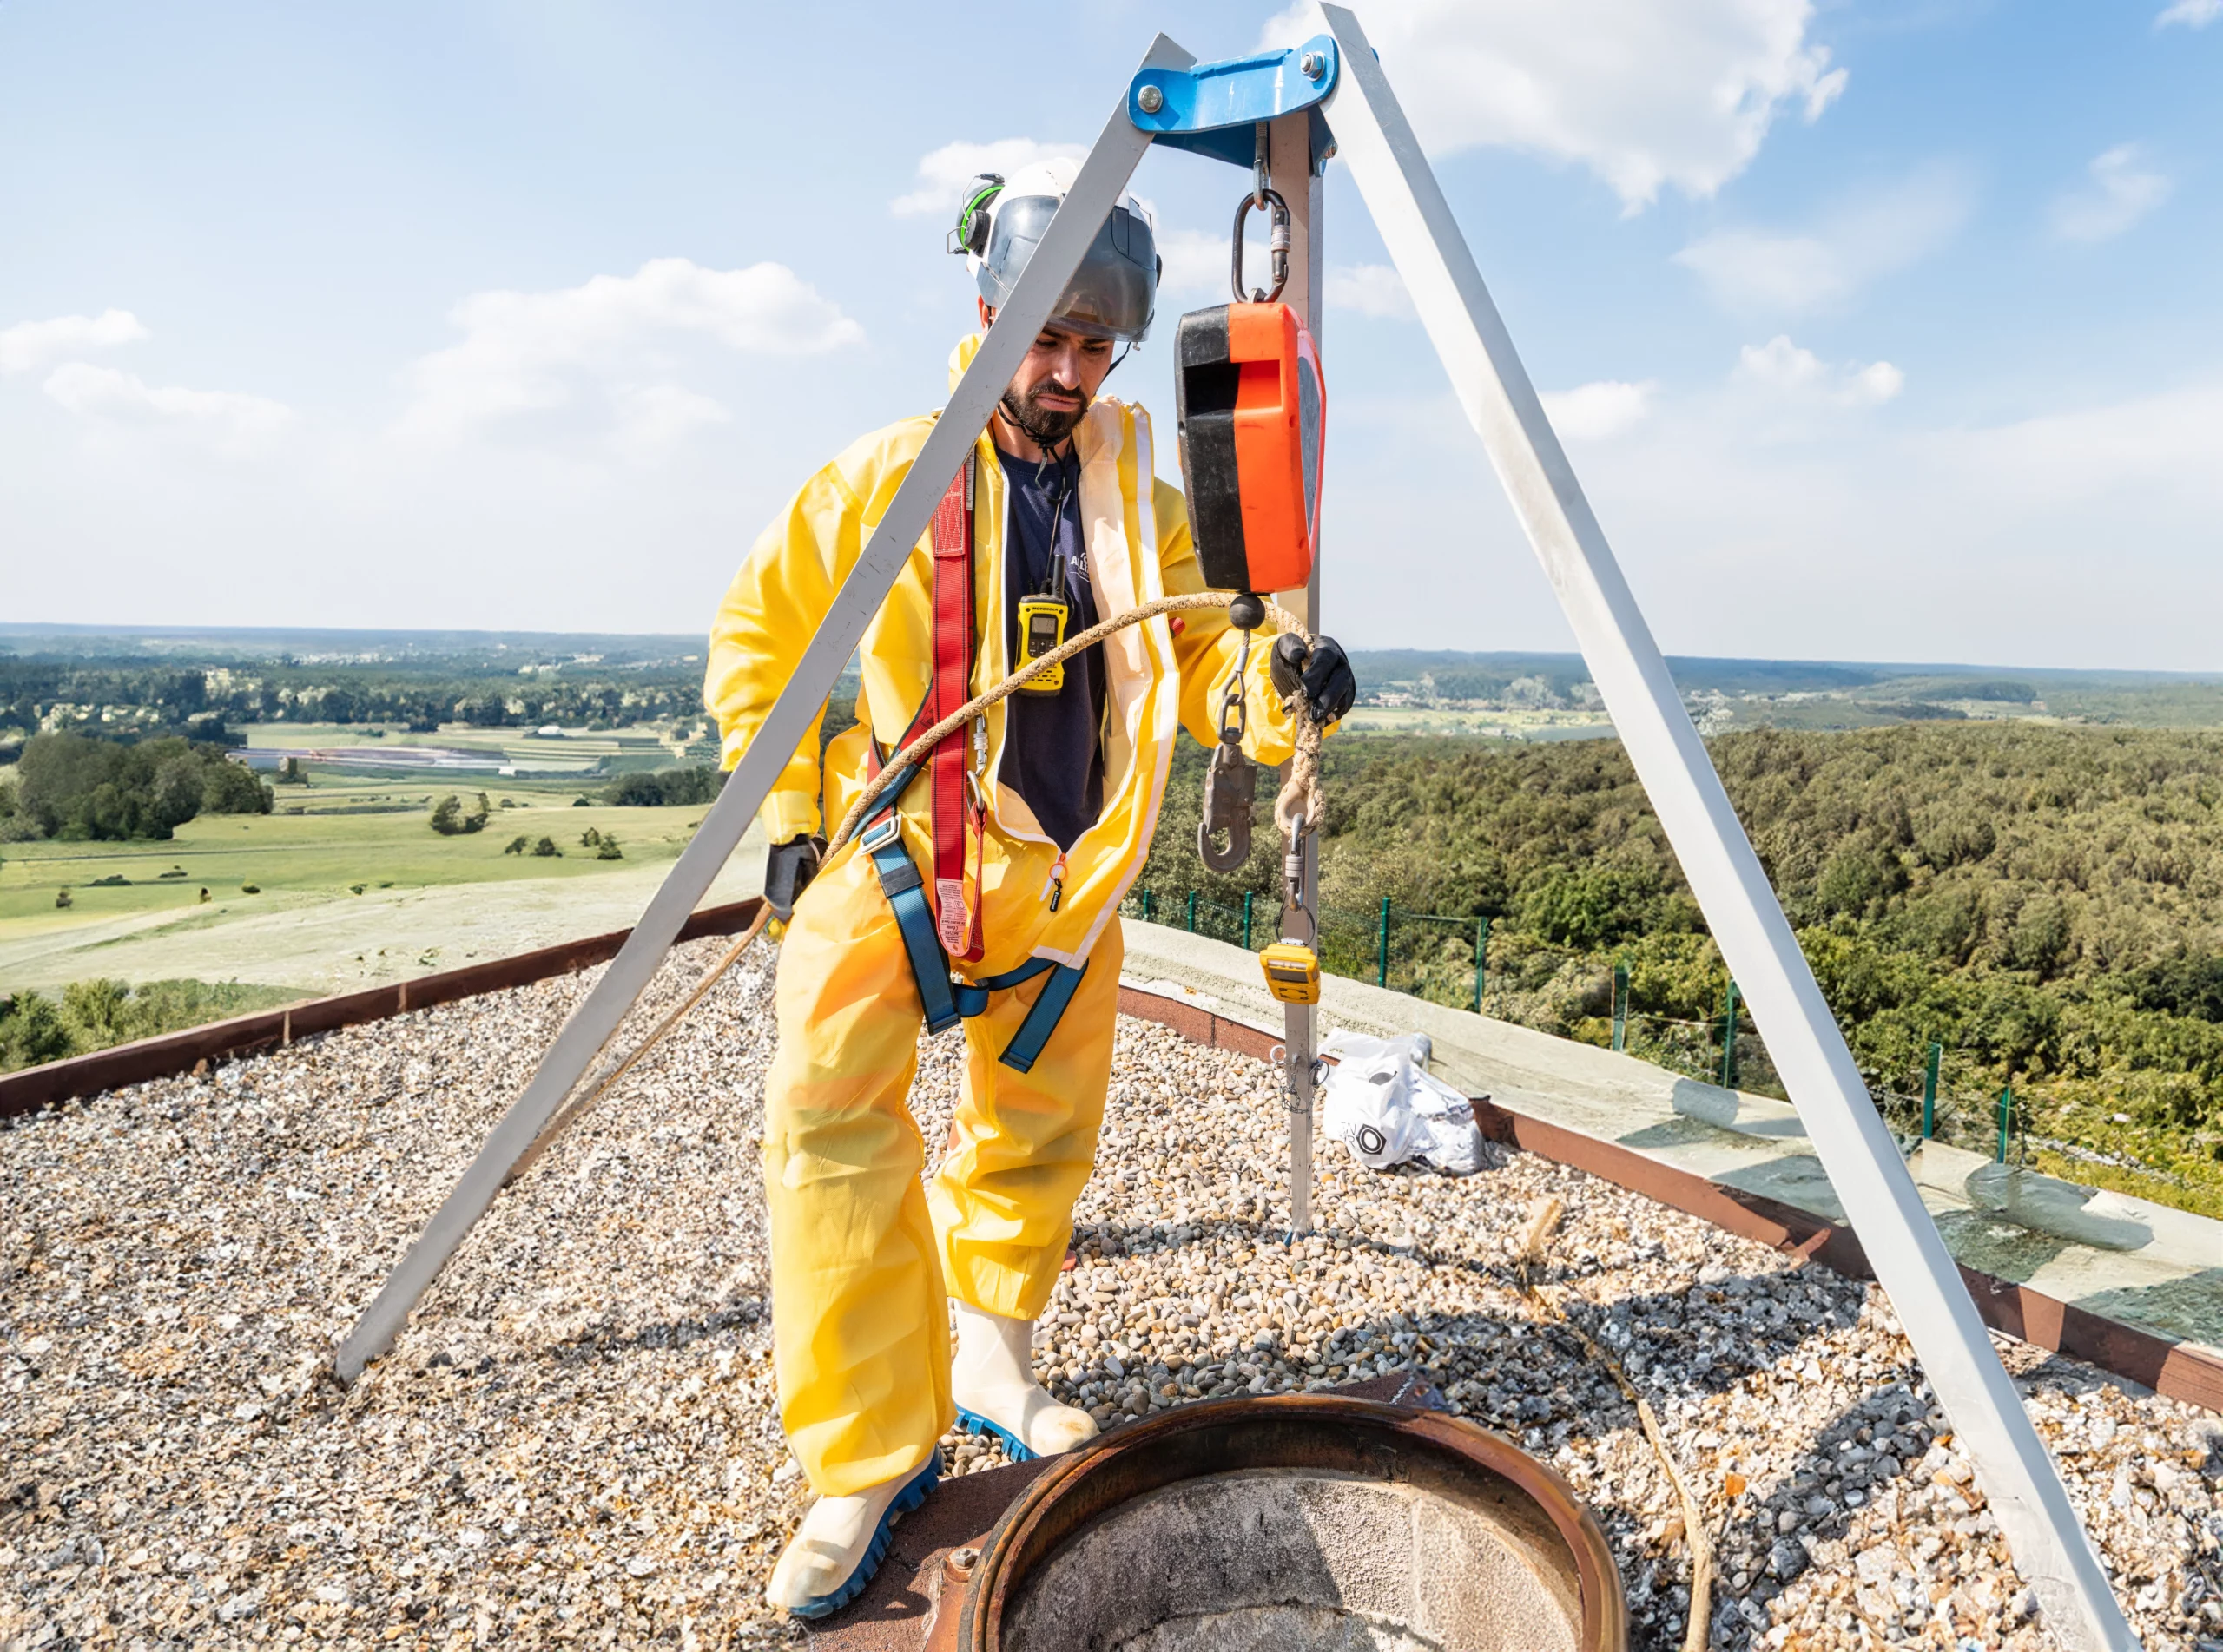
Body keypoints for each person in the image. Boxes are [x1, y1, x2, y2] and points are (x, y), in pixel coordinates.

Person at [703, 158, 1356, 1617]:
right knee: (824, 1125)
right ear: (989, 308)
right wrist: (793, 811)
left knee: (1038, 1130)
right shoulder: (887, 471)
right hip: (898, 852)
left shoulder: (1140, 487)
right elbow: (764, 632)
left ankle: (993, 1350)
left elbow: (1201, 653)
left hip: (1067, 875)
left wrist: (1278, 683)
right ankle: (865, 1455)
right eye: (1041, 338)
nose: (1062, 373)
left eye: (1090, 347)